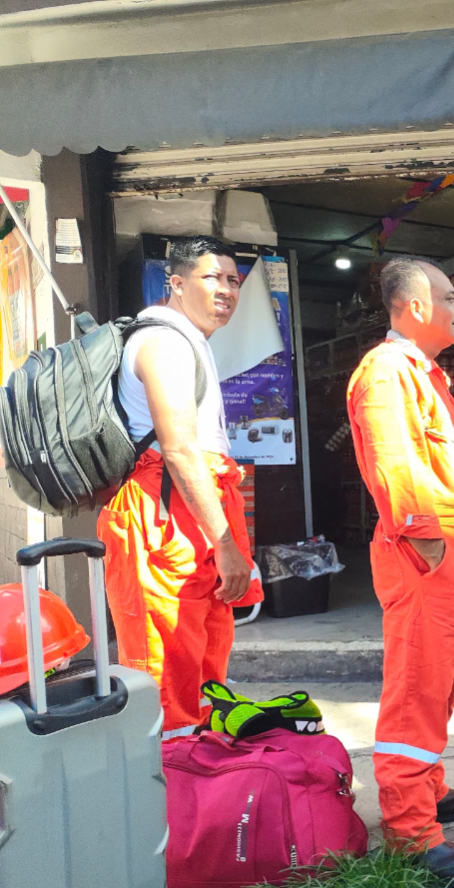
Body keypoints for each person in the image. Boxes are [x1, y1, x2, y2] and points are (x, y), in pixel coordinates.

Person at [347, 256, 454, 887]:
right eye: (450, 296)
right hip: (426, 559)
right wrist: (425, 539)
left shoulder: (424, 374)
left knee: (439, 682)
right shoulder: (387, 373)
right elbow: (393, 459)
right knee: (415, 689)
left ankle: (426, 790)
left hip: (449, 560)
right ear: (413, 307)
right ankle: (412, 833)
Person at [99, 236, 261, 737]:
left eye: (234, 281)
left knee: (205, 663)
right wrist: (227, 544)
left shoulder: (190, 341)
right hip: (161, 514)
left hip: (190, 506)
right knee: (166, 672)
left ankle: (202, 789)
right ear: (176, 282)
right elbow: (179, 450)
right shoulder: (164, 341)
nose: (227, 290)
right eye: (213, 277)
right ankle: (170, 800)